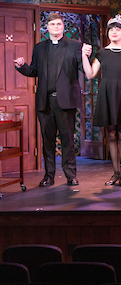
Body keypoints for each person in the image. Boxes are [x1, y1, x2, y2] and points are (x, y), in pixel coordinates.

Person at [14, 13, 87, 187]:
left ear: (63, 27)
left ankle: (71, 175)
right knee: (48, 141)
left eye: (59, 24)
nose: (56, 27)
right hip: (45, 102)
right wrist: (22, 67)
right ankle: (49, 176)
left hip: (66, 101)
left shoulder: (75, 46)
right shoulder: (39, 48)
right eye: (52, 24)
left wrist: (87, 55)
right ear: (47, 27)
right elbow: (34, 71)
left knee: (68, 139)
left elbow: (83, 68)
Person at [81, 15, 121, 187]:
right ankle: (115, 173)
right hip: (107, 93)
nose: (114, 32)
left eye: (117, 29)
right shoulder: (102, 53)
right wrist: (83, 56)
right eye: (111, 30)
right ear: (108, 33)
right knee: (111, 134)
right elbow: (90, 74)